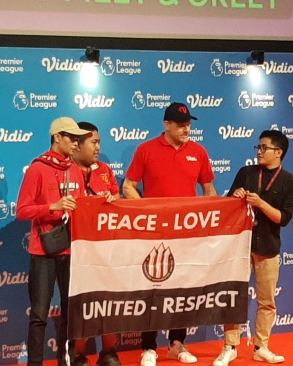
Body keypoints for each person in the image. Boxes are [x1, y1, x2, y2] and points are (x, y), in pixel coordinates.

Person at [122, 102, 217, 366]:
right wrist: (148, 213)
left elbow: (209, 190)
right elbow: (128, 186)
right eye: (180, 124)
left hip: (188, 234)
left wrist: (210, 218)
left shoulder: (198, 152)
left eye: (188, 124)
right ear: (167, 125)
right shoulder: (146, 150)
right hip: (154, 234)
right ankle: (148, 347)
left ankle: (177, 343)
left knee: (183, 288)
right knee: (152, 288)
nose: (186, 128)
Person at [17, 116, 114, 366]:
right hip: (43, 251)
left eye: (77, 138)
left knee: (71, 314)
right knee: (39, 315)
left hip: (72, 250)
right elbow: (22, 210)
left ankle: (66, 362)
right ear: (56, 137)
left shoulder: (74, 169)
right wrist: (53, 206)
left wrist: (103, 200)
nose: (75, 142)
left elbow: (81, 206)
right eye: (70, 137)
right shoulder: (38, 167)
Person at [213, 130, 293, 366]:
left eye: (264, 148)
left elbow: (283, 218)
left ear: (278, 152)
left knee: (267, 301)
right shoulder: (246, 172)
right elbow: (229, 206)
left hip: (269, 246)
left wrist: (260, 203)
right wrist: (237, 196)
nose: (259, 152)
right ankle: (230, 346)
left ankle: (262, 347)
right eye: (258, 148)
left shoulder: (290, 181)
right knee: (234, 298)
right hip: (240, 246)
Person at [70, 121, 122, 366]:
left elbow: (118, 198)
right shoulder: (66, 171)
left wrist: (113, 198)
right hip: (77, 251)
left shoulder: (105, 170)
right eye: (94, 142)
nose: (98, 147)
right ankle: (78, 354)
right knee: (81, 304)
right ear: (77, 144)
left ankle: (108, 352)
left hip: (107, 250)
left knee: (110, 302)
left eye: (99, 141)